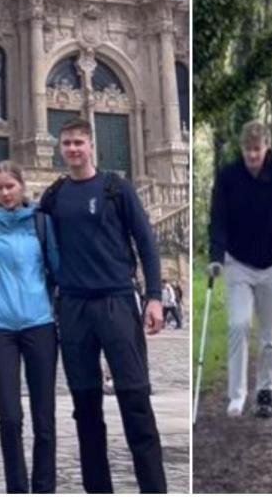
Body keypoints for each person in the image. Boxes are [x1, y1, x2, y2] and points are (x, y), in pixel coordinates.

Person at [37, 117, 167, 493]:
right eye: (67, 143)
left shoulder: (116, 188)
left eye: (79, 142)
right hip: (74, 306)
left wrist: (154, 296)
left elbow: (146, 243)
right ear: (60, 148)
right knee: (86, 407)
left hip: (116, 301)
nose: (73, 149)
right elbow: (32, 238)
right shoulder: (54, 196)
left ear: (93, 146)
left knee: (135, 400)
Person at [208, 120, 272, 419]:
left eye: (257, 150)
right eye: (247, 150)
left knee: (269, 333)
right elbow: (218, 219)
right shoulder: (228, 177)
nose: (252, 156)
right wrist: (215, 256)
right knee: (238, 324)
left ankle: (266, 390)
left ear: (267, 148)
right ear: (241, 149)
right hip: (238, 261)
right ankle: (237, 394)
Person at [0, 161, 60, 493]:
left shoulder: (42, 223)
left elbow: (56, 268)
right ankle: (17, 487)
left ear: (22, 186)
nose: (5, 192)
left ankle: (44, 488)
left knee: (44, 416)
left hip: (39, 323)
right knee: (9, 416)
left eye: (10, 186)